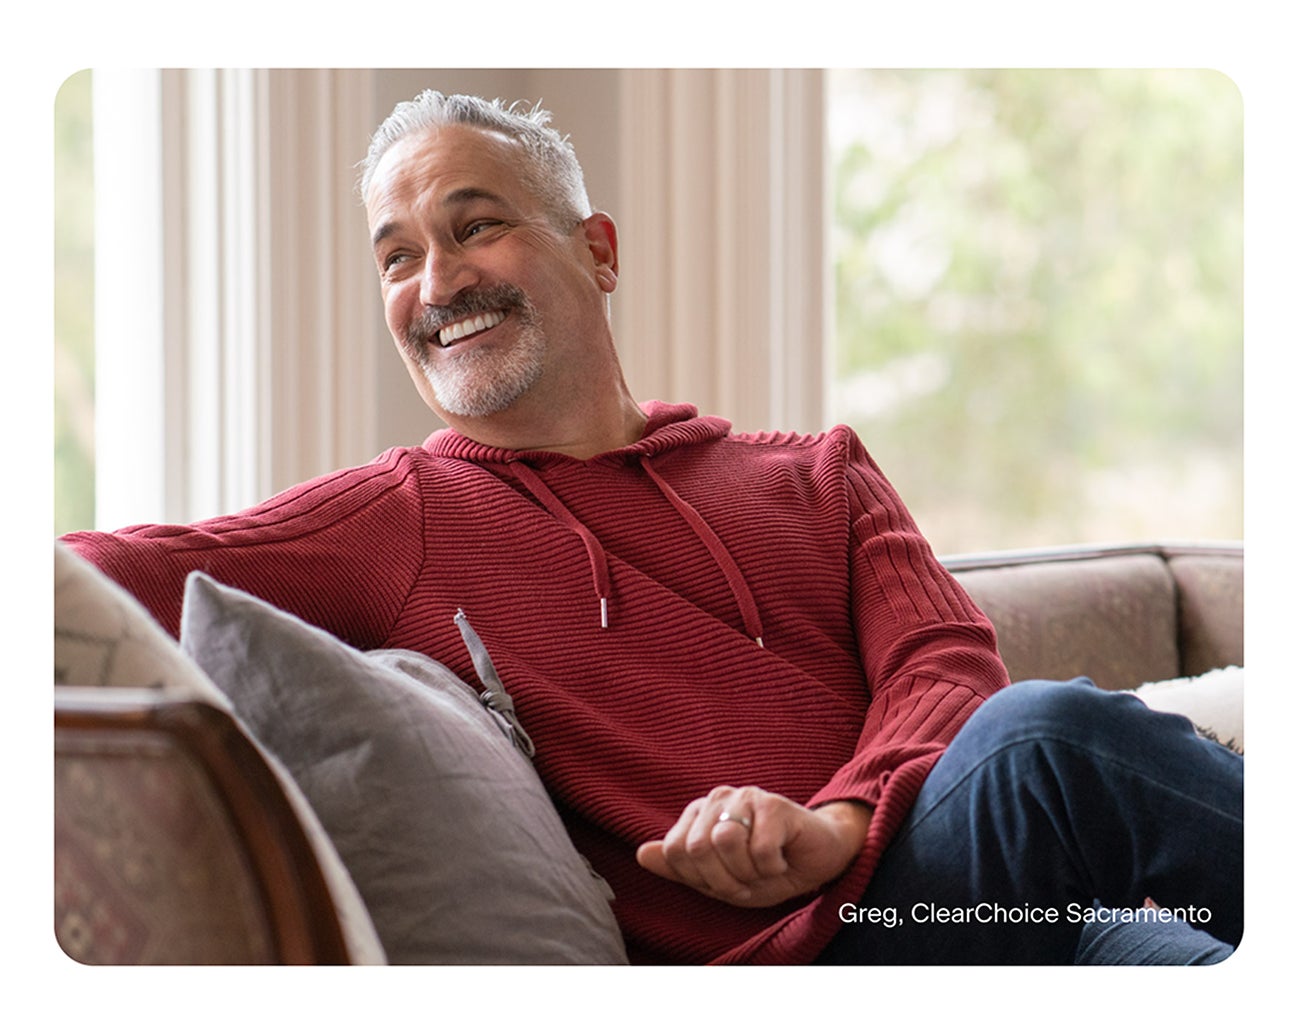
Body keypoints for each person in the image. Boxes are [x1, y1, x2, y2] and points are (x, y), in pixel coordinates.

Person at [61, 90, 1242, 965]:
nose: (437, 281)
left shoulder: (818, 475)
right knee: (1050, 742)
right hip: (790, 974)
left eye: (476, 226)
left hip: (986, 905)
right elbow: (100, 577)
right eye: (397, 257)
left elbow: (943, 664)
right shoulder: (398, 521)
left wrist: (835, 822)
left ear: (599, 249)